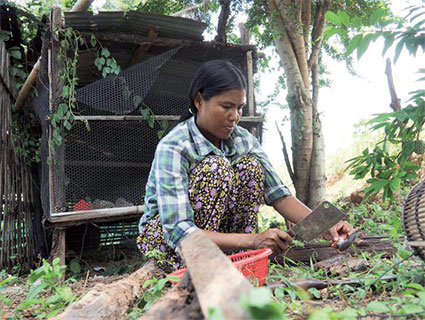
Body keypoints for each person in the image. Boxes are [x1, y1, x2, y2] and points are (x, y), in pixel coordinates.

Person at [137, 60, 353, 272]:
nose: (234, 117)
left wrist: (325, 225)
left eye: (239, 108)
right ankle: (202, 265)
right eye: (226, 107)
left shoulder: (243, 140)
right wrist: (253, 240)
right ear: (199, 101)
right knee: (215, 168)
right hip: (167, 243)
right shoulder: (174, 146)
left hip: (217, 242)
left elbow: (279, 195)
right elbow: (177, 230)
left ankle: (236, 261)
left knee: (250, 167)